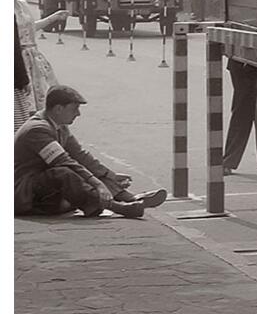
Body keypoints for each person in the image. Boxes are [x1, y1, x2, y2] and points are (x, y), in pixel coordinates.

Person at [14, 85, 167, 218]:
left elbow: (80, 155)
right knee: (64, 172)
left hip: (43, 189)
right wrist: (98, 183)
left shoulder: (58, 126)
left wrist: (109, 175)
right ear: (59, 109)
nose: (78, 114)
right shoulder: (37, 130)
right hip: (24, 193)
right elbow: (63, 161)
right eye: (74, 109)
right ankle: (115, 206)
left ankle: (129, 198)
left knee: (87, 169)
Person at [14, 0, 67, 129]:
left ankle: (37, 128)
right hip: (19, 55)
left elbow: (29, 28)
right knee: (23, 96)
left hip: (33, 55)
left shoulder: (22, 5)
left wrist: (53, 18)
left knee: (42, 96)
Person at [221, 57, 257, 174]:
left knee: (248, 110)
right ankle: (229, 161)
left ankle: (229, 161)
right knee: (244, 110)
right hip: (245, 64)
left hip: (248, 62)